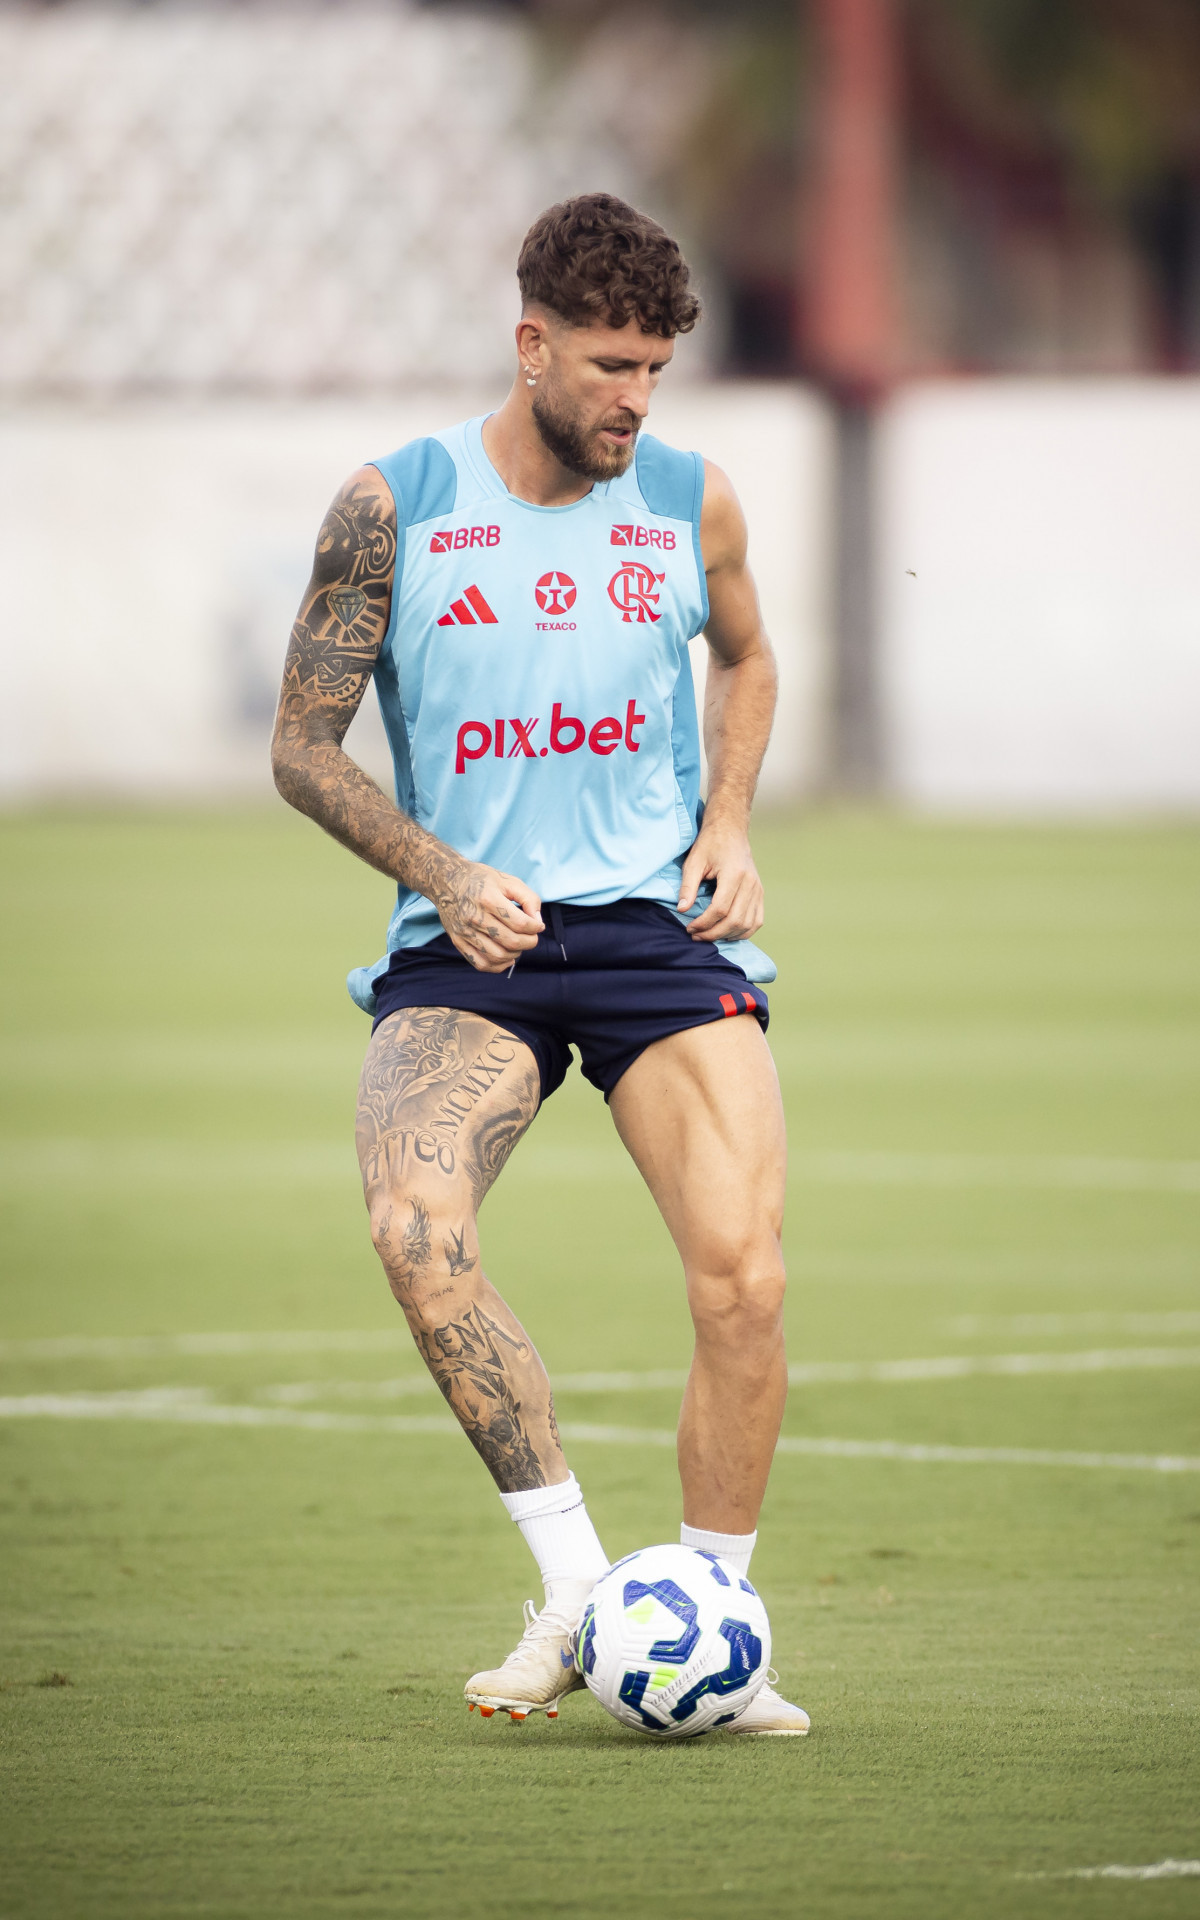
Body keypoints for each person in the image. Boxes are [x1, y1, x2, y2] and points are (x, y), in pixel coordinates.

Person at [271, 192, 808, 1736]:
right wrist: (440, 868)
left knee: (748, 1280)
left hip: (653, 926)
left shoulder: (692, 500)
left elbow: (751, 654)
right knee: (412, 1229)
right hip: (468, 943)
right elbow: (302, 745)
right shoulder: (397, 504)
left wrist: (730, 817)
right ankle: (578, 1588)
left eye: (657, 371)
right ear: (532, 347)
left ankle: (714, 1617)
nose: (637, 401)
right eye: (611, 368)